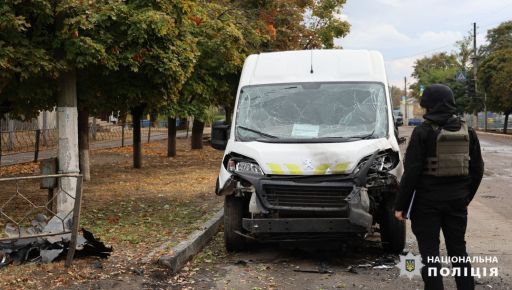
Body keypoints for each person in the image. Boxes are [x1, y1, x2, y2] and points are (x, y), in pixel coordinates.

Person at [394, 84, 484, 290]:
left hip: (426, 204)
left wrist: (401, 205)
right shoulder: (468, 131)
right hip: (457, 202)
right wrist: (464, 197)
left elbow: (411, 174)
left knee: (429, 253)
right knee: (458, 250)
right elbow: (477, 170)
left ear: (429, 104)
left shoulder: (423, 132)